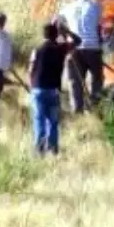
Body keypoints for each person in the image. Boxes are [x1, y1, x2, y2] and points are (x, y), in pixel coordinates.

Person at [27, 21, 81, 155]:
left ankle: (40, 149)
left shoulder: (37, 50)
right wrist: (66, 31)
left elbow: (30, 70)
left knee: (39, 119)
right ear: (56, 35)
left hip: (38, 88)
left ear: (43, 35)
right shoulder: (61, 48)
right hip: (54, 90)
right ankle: (53, 148)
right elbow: (78, 41)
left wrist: (31, 86)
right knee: (53, 121)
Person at [57, 0, 104, 113]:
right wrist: (99, 45)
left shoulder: (67, 8)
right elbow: (98, 29)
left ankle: (77, 111)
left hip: (73, 50)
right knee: (97, 79)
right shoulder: (95, 6)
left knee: (74, 82)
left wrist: (63, 40)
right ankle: (96, 108)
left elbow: (57, 24)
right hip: (93, 48)